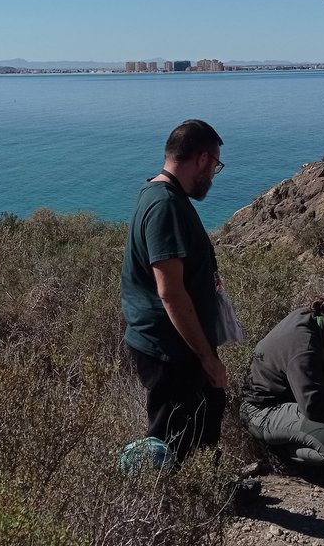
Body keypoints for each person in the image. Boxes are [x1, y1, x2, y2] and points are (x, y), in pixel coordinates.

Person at [121, 119, 227, 463]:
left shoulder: (163, 196)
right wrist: (207, 357)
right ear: (201, 159)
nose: (213, 175)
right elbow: (170, 293)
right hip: (169, 349)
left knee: (202, 419)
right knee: (171, 442)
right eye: (215, 165)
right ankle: (168, 506)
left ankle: (207, 491)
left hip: (177, 346)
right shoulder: (165, 205)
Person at [239, 297, 324, 468]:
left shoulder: (316, 316)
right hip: (262, 411)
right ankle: (283, 456)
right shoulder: (304, 350)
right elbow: (313, 407)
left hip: (286, 396)